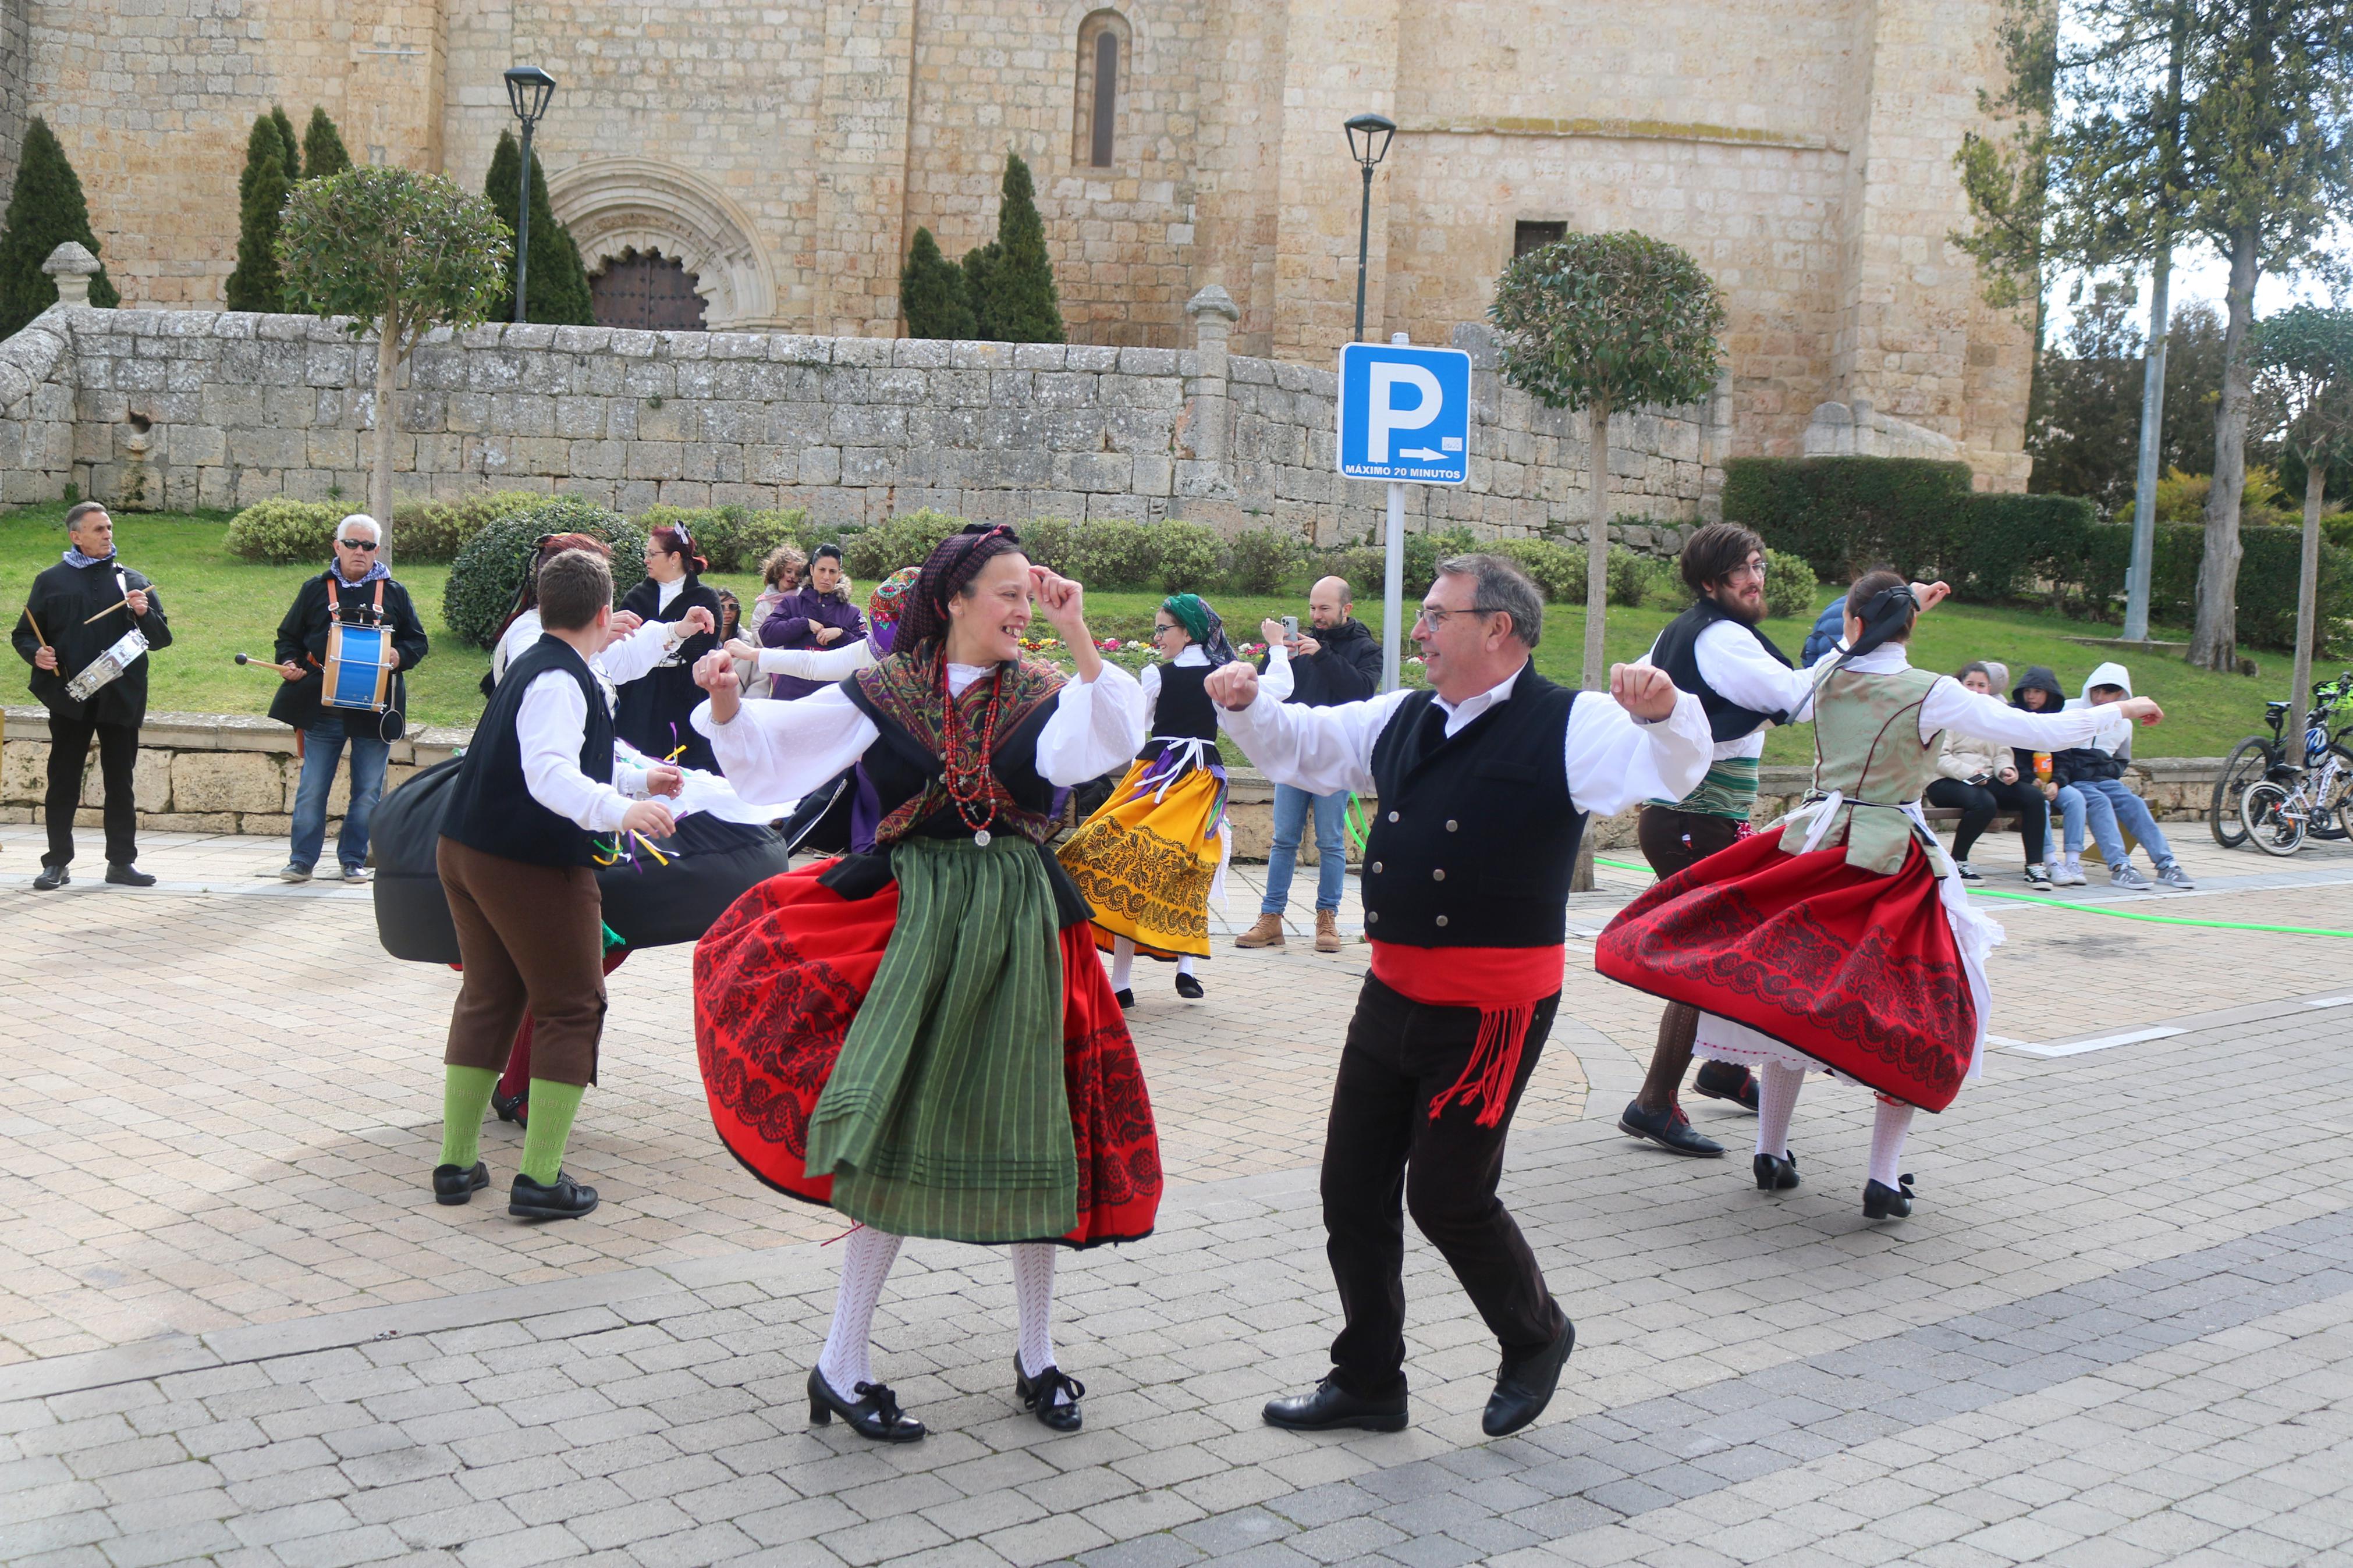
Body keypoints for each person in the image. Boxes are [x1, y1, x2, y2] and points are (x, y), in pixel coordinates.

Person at [1206, 553, 1712, 1438]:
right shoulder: (1402, 716)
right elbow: (1304, 746)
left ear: (1497, 628)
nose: (1418, 630)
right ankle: (1367, 1378)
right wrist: (1246, 704)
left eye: (1437, 615)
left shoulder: (1574, 721)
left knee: (1445, 1195)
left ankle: (1536, 1332)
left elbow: (1667, 769)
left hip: (1492, 1007)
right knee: (1349, 1190)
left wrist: (1667, 711)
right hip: (1389, 993)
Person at [690, 524, 1158, 1443]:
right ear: (951, 600)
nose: (1025, 609)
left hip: (1023, 922)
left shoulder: (1047, 690)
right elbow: (772, 752)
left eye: (1033, 593)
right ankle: (842, 1358)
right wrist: (724, 708)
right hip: (912, 919)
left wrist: (1077, 634)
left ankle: (1035, 1351)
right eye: (1009, 595)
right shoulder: (886, 689)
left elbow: (1106, 742)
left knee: (1039, 1121)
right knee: (890, 1128)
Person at [1598, 573, 2166, 1222]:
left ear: (1852, 624)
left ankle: (1771, 1151)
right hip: (1890, 857)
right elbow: (2032, 730)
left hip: (1809, 848)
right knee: (1908, 1008)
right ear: (1910, 627)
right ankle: (1882, 1176)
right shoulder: (1931, 692)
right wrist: (2118, 710)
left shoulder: (1824, 679)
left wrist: (1871, 623)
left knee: (1791, 991)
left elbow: (1838, 656)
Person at [432, 548, 684, 1220]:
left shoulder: (540, 664)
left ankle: (457, 1165)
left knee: (489, 997)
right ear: (606, 614)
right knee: (572, 1005)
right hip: (526, 859)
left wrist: (636, 780)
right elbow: (548, 776)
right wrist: (623, 810)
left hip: (468, 847)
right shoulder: (560, 680)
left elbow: (557, 759)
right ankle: (540, 1178)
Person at [482, 531, 714, 1129]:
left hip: (538, 831)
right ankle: (531, 1144)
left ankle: (494, 1118)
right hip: (532, 839)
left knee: (530, 983)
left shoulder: (565, 651)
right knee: (565, 986)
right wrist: (623, 807)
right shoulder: (545, 654)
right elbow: (553, 768)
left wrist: (676, 633)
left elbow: (611, 679)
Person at [1617, 523, 1807, 1158]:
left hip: (1694, 820)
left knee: (1750, 939)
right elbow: (1797, 698)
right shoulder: (1721, 639)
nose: (1754, 579)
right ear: (1709, 584)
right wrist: (1863, 647)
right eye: (1739, 572)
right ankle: (1653, 1102)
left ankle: (1725, 1068)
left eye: (1758, 565)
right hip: (1693, 823)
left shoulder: (1681, 631)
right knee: (1703, 960)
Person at [1059, 592, 1242, 1005]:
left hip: (1196, 779)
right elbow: (1132, 723)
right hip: (1155, 776)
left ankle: (1185, 968)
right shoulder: (1157, 675)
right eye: (1157, 628)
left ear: (1188, 631)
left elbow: (1258, 705)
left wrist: (1280, 651)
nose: (1157, 636)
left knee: (1188, 864)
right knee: (1132, 860)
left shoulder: (1221, 674)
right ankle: (1121, 982)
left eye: (1163, 628)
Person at [12, 502, 173, 890]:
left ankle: (121, 862)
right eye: (98, 529)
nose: (107, 535)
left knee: (121, 781)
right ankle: (57, 863)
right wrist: (38, 652)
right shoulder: (50, 581)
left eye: (109, 528)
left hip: (122, 696)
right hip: (71, 695)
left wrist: (143, 612)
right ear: (75, 536)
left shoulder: (132, 580)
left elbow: (161, 639)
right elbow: (24, 633)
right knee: (62, 779)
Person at [266, 515, 430, 884]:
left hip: (376, 708)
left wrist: (399, 656)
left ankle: (353, 859)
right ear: (337, 546)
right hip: (323, 706)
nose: (360, 551)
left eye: (368, 546)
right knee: (313, 786)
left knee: (369, 789)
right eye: (353, 544)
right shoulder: (314, 590)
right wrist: (289, 662)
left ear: (377, 551)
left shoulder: (395, 593)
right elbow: (287, 637)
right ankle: (301, 861)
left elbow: (418, 641)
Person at [1235, 575, 1382, 954]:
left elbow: (1361, 692)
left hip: (1335, 756)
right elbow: (1269, 689)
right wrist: (1275, 650)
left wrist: (1322, 654)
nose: (1316, 615)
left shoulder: (1364, 648)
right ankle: (1270, 918)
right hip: (1293, 753)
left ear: (1346, 609)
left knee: (1330, 841)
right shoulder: (1294, 643)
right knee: (1283, 838)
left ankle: (1326, 918)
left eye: (1324, 608)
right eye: (1312, 608)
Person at [2049, 661, 2195, 891]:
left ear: (2121, 694)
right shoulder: (2070, 709)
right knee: (2099, 803)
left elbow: (2121, 759)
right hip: (2073, 778)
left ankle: (2167, 864)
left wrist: (2106, 770)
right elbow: (2056, 746)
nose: (2099, 697)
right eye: (2096, 690)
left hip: (2104, 779)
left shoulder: (2125, 723)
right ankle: (2120, 867)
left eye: (2107, 692)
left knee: (2135, 804)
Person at [1922, 661, 2051, 887]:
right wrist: (1971, 773)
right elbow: (1940, 758)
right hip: (1946, 781)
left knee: (2033, 797)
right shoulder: (1945, 714)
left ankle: (2035, 866)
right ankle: (1959, 861)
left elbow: (2002, 752)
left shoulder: (1994, 714)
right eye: (1970, 684)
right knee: (1984, 803)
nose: (1975, 689)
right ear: (1959, 685)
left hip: (1986, 778)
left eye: (1981, 685)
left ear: (1989, 689)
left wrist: (2006, 769)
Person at [613, 523, 723, 771]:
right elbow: (623, 639)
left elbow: (702, 643)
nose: (646, 560)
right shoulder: (637, 596)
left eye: (653, 554)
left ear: (675, 558)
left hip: (684, 693)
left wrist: (651, 644)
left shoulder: (704, 597)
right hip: (640, 692)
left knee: (684, 764)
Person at [759, 542, 866, 699]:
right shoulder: (791, 604)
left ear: (840, 574)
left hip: (834, 700)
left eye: (832, 571)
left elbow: (868, 653)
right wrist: (804, 624)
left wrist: (841, 634)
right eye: (822, 570)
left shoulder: (852, 613)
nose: (826, 577)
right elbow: (767, 635)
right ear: (812, 570)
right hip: (790, 696)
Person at [750, 543, 806, 631]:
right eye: (789, 571)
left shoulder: (801, 598)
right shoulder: (766, 600)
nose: (792, 576)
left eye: (797, 574)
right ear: (779, 571)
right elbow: (756, 627)